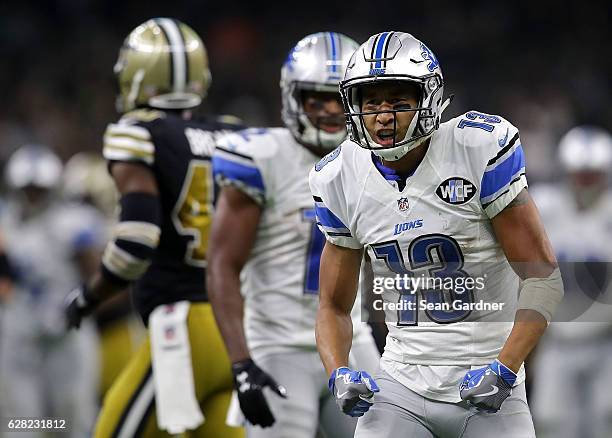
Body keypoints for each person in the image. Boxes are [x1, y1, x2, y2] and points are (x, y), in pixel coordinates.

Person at [309, 31, 564, 438]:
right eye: (371, 102)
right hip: (400, 387)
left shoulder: (475, 148)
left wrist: (505, 369)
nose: (383, 116)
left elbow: (543, 277)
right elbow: (332, 307)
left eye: (398, 102)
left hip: (486, 380)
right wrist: (338, 370)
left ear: (428, 99)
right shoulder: (340, 176)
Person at [63, 18, 243, 437]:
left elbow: (135, 243)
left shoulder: (139, 132)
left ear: (136, 74)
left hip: (182, 328)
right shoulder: (235, 134)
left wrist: (88, 298)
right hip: (238, 326)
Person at [208, 32, 380, 438]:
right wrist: (241, 363)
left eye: (340, 97)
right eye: (315, 99)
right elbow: (222, 265)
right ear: (292, 97)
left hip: (353, 340)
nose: (330, 110)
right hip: (279, 346)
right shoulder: (261, 159)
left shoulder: (375, 160)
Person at [0, 144, 101, 437]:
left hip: (67, 334)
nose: (33, 196)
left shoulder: (73, 222)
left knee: (72, 418)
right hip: (22, 334)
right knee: (22, 422)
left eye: (38, 189)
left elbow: (97, 276)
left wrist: (81, 305)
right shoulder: (6, 221)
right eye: (27, 189)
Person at [530, 126, 612, 438]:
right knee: (553, 422)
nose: (585, 182)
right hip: (557, 342)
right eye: (580, 173)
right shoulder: (545, 207)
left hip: (606, 342)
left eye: (592, 174)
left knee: (605, 422)